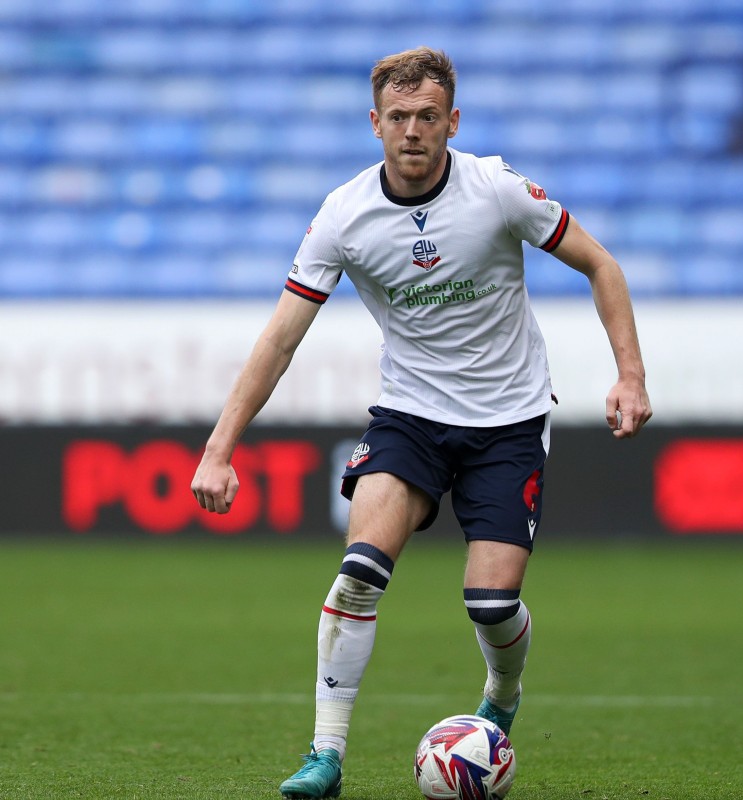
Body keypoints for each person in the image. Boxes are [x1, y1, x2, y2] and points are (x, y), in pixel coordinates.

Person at [191, 46, 652, 799]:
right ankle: (325, 757)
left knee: (492, 605)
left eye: (428, 117)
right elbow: (280, 337)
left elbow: (603, 265)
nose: (413, 132)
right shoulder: (344, 215)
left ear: (452, 122)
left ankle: (502, 694)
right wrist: (220, 449)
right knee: (360, 572)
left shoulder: (498, 191)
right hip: (410, 417)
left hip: (508, 420)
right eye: (398, 118)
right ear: (375, 124)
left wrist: (629, 376)